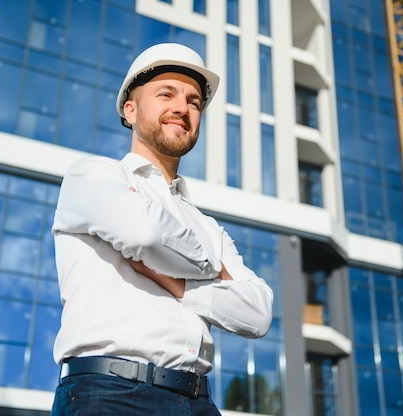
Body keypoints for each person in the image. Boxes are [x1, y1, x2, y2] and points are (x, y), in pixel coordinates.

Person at [50, 43, 274, 416]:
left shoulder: (207, 225)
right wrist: (213, 269)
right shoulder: (92, 175)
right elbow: (146, 234)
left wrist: (180, 285)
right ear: (130, 109)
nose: (182, 108)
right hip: (109, 393)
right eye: (166, 94)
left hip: (199, 401)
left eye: (193, 101)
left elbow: (258, 313)